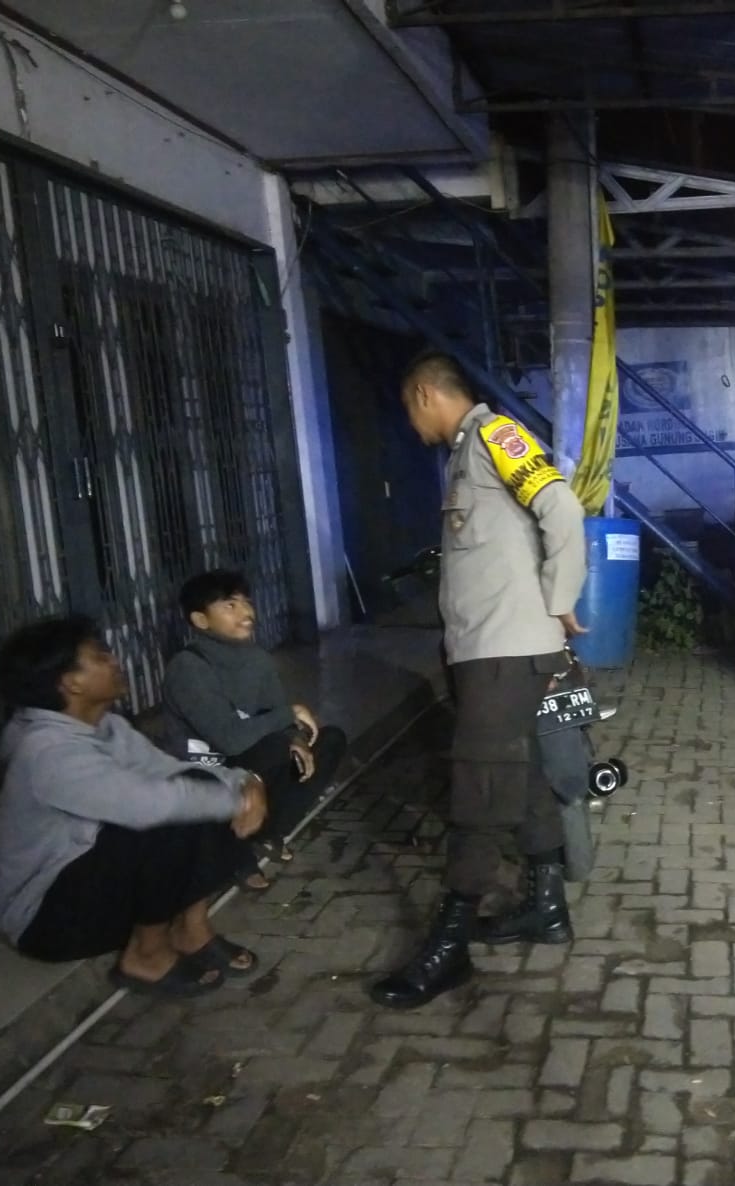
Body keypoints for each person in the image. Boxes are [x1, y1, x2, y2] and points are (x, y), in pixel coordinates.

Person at [370, 351, 588, 1010]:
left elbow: (562, 508)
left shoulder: (496, 436)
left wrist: (559, 598)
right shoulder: (466, 454)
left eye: (409, 409)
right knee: (521, 775)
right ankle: (545, 906)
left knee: (478, 788)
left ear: (424, 393)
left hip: (505, 650)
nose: (411, 425)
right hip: (487, 650)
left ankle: (450, 943)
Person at [0, 616, 268, 997]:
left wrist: (244, 781)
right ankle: (145, 957)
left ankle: (192, 931)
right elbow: (148, 805)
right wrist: (238, 801)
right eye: (100, 656)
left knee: (196, 792)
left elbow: (170, 770)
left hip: (89, 887)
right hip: (47, 923)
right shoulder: (46, 752)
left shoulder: (108, 727)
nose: (115, 661)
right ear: (71, 682)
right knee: (164, 819)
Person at [161, 570, 347, 886]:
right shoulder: (188, 667)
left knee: (329, 741)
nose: (246, 612)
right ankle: (232, 850)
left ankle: (265, 833)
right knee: (272, 748)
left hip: (247, 757)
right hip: (204, 770)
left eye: (246, 602)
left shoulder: (257, 659)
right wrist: (288, 717)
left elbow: (277, 714)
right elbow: (230, 739)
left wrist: (297, 738)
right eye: (230, 606)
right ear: (201, 620)